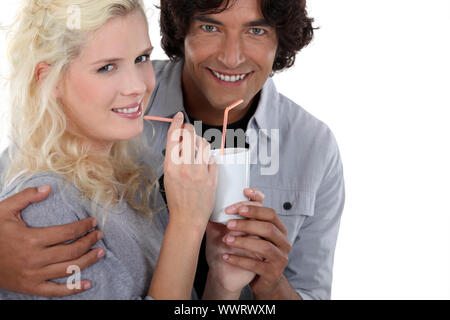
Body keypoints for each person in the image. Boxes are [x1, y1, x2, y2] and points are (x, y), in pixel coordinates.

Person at [0, 0, 345, 300]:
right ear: (183, 30)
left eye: (256, 31)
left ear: (281, 38)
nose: (231, 57)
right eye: (210, 26)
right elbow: (26, 177)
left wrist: (235, 285)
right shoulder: (121, 122)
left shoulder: (314, 147)